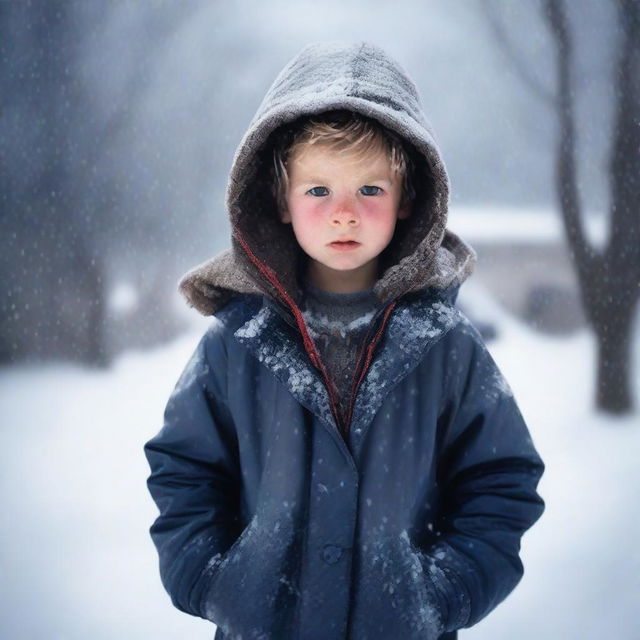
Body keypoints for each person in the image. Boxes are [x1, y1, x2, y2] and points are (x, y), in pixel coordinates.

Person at [143, 41, 545, 640]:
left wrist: (445, 591)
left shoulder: (445, 346)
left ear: (409, 197)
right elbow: (185, 469)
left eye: (371, 190)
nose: (344, 214)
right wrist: (213, 580)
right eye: (318, 190)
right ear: (279, 199)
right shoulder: (238, 340)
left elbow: (501, 481)